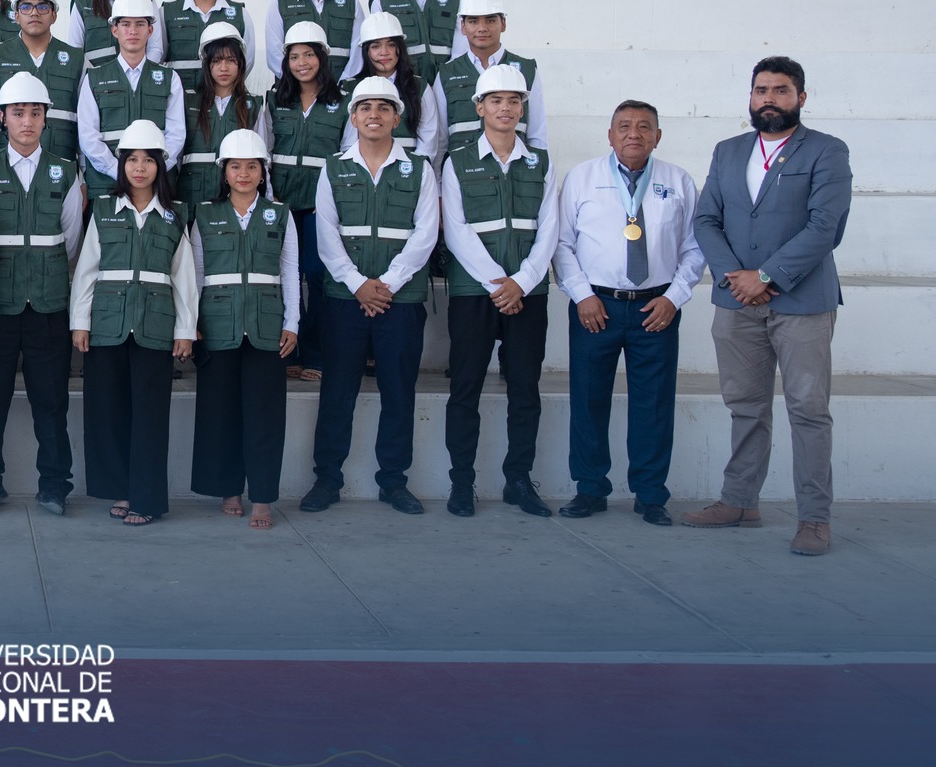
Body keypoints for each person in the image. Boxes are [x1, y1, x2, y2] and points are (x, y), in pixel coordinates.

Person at [683, 57, 853, 556]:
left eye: (781, 91)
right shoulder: (729, 151)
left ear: (801, 97)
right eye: (761, 90)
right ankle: (739, 502)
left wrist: (767, 277)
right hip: (736, 303)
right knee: (745, 407)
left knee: (808, 411)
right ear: (750, 97)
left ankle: (814, 519)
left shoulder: (826, 151)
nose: (769, 99)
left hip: (801, 302)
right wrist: (738, 278)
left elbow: (826, 226)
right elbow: (706, 219)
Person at [552, 100, 706, 526]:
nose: (633, 133)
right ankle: (589, 488)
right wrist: (582, 295)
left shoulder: (678, 181)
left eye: (644, 127)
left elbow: (695, 249)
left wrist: (674, 298)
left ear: (658, 136)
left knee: (653, 404)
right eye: (624, 126)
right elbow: (561, 245)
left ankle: (651, 494)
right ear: (609, 134)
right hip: (594, 306)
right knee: (588, 398)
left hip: (655, 308)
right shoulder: (582, 178)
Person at [296, 76, 440, 516]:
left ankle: (394, 481)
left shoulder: (419, 169)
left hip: (400, 301)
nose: (373, 115)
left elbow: (425, 233)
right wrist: (358, 284)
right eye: (365, 108)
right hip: (345, 299)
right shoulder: (334, 167)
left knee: (399, 392)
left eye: (383, 107)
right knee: (337, 392)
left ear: (397, 117)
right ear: (353, 117)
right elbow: (327, 235)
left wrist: (388, 285)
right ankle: (327, 479)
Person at [438, 64, 560, 518]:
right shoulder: (458, 161)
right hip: (476, 292)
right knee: (465, 388)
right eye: (496, 100)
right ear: (479, 108)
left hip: (529, 294)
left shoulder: (540, 162)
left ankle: (519, 481)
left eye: (513, 101)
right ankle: (462, 484)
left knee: (524, 389)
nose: (505, 108)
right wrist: (498, 283)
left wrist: (523, 282)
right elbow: (457, 229)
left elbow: (549, 228)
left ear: (523, 108)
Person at [0, 72, 84, 516]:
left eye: (36, 113)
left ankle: (55, 485)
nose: (28, 121)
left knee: (51, 402)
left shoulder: (66, 171)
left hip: (49, 305)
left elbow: (69, 238)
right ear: (2, 118)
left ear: (46, 118)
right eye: (18, 113)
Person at [70, 120, 196, 527]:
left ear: (161, 165)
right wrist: (80, 322)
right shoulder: (104, 210)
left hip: (155, 326)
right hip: (107, 324)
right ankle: (120, 490)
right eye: (131, 160)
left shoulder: (176, 216)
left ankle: (147, 498)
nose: (139, 168)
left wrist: (184, 329)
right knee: (108, 411)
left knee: (150, 415)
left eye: (148, 160)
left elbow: (185, 277)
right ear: (121, 164)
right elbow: (87, 270)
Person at [189, 128, 299, 531]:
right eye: (235, 166)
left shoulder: (280, 213)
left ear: (262, 170)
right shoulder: (204, 213)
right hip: (218, 325)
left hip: (267, 326)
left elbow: (290, 271)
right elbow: (196, 272)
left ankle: (264, 497)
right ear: (224, 170)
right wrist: (193, 322)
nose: (244, 173)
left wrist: (293, 323)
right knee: (221, 413)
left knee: (265, 415)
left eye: (252, 166)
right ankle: (229, 488)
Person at [259, 21, 348, 382]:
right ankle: (287, 351)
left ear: (322, 58)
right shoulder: (274, 100)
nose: (302, 63)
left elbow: (346, 156)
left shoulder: (342, 104)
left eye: (309, 54)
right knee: (284, 277)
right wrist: (269, 195)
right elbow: (263, 151)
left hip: (319, 210)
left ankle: (315, 351)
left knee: (318, 276)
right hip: (281, 206)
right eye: (294, 56)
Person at [75, 0, 185, 204]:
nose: (133, 31)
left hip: (157, 185)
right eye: (126, 24)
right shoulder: (95, 78)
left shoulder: (169, 78)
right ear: (114, 30)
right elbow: (88, 136)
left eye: (140, 24)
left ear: (150, 30)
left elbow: (176, 135)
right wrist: (118, 170)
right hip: (107, 182)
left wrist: (153, 170)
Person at [433, 0, 547, 157]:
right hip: (462, 176)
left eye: (490, 20)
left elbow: (538, 136)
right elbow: (440, 141)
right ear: (462, 27)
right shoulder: (447, 73)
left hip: (515, 173)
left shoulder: (527, 70)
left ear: (503, 24)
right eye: (473, 21)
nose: (482, 28)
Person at [0, 0, 83, 162]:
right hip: (3, 166)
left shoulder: (76, 59)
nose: (34, 13)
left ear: (54, 15)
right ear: (17, 16)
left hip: (61, 164)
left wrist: (82, 171)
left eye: (43, 7)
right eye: (26, 7)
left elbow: (88, 121)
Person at [173, 23, 258, 209]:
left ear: (241, 63)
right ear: (207, 64)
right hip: (190, 197)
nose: (224, 68)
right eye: (217, 61)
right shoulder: (188, 102)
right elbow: (176, 153)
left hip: (235, 201)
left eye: (231, 60)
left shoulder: (254, 105)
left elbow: (261, 155)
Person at [341, 10, 443, 164]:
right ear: (366, 51)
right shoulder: (351, 87)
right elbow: (348, 143)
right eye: (376, 46)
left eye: (391, 45)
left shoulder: (419, 87)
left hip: (409, 175)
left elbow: (428, 143)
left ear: (400, 49)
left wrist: (411, 172)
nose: (384, 52)